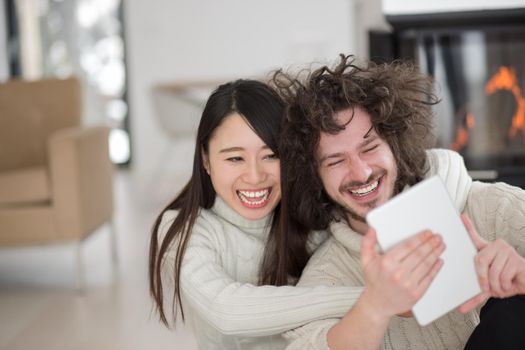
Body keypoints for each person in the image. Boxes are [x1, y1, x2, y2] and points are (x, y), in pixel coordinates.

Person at [270, 55, 525, 349]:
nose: (361, 172)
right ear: (315, 175)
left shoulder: (493, 207)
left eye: (369, 147)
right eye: (336, 161)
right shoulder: (328, 276)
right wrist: (374, 306)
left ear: (394, 145)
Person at [149, 79, 368, 350]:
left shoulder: (313, 218)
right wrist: (372, 298)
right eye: (234, 158)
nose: (255, 177)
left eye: (271, 156)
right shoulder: (183, 229)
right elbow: (227, 312)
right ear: (205, 160)